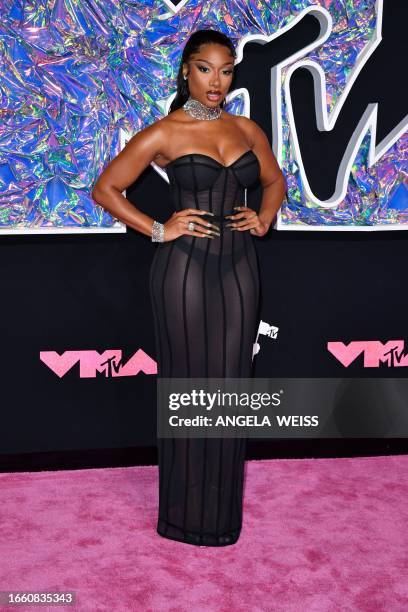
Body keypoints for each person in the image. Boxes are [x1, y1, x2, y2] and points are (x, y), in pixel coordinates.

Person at [92, 29, 286, 547]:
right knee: (186, 384)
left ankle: (220, 515)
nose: (216, 80)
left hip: (240, 266)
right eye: (205, 69)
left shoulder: (247, 129)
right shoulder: (165, 132)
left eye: (225, 70)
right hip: (184, 270)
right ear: (186, 71)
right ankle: (182, 516)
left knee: (230, 385)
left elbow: (274, 180)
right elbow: (105, 188)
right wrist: (160, 228)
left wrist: (264, 219)